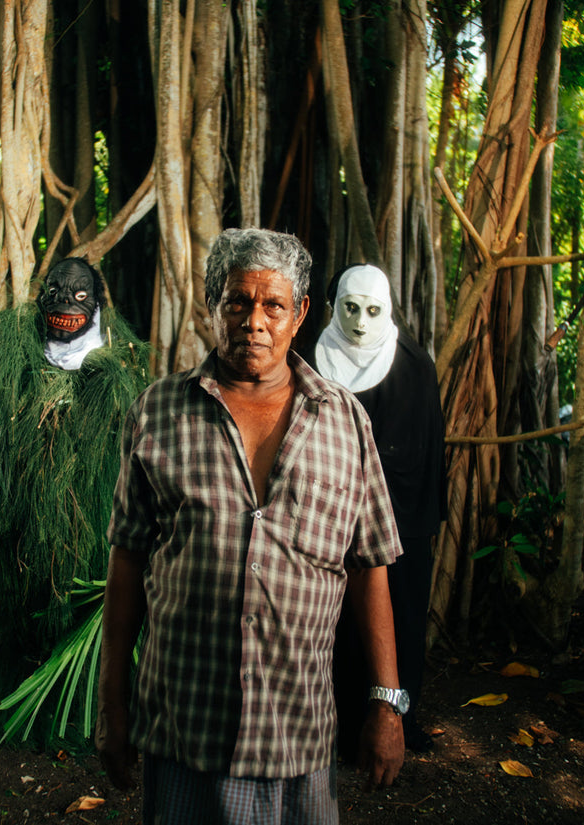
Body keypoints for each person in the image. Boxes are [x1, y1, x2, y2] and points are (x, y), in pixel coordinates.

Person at [96, 228, 406, 824]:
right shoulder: (159, 412)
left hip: (298, 737)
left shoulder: (346, 423)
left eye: (274, 305)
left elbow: (371, 568)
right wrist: (113, 703)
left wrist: (386, 705)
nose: (254, 321)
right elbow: (128, 559)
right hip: (182, 730)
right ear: (213, 305)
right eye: (237, 302)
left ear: (301, 315)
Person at [312, 263, 446, 757]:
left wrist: (414, 528)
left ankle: (397, 726)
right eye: (351, 309)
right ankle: (334, 729)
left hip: (401, 524)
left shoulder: (415, 366)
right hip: (324, 517)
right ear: (334, 305)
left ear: (387, 309)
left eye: (372, 311)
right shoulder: (308, 359)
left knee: (401, 618)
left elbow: (428, 456)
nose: (361, 323)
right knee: (329, 623)